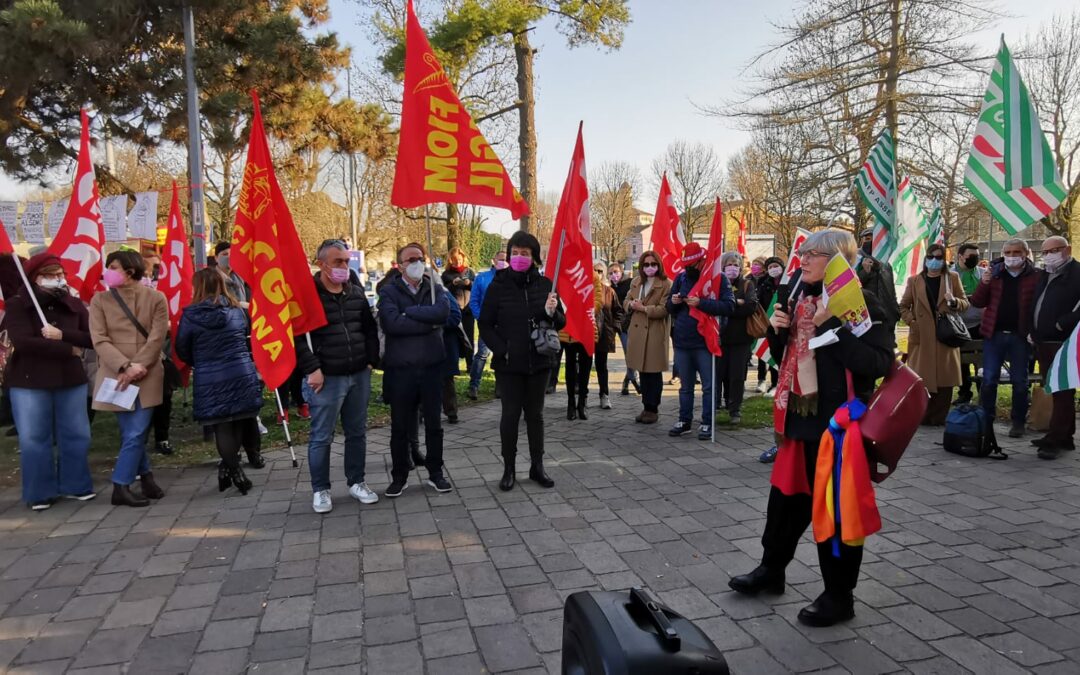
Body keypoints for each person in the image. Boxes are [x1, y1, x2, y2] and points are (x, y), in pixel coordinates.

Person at [728, 229, 894, 627]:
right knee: (784, 503)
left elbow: (878, 364)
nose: (801, 258)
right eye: (801, 252)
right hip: (798, 420)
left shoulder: (860, 302)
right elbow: (792, 358)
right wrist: (780, 331)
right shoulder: (799, 296)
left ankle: (840, 595)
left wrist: (829, 330)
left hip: (836, 427)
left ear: (838, 259)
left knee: (835, 513)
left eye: (812, 253)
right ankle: (772, 570)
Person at [5, 253, 95, 510]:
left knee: (77, 433)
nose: (58, 280)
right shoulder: (18, 304)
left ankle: (76, 484)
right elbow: (24, 342)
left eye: (60, 275)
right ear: (35, 278)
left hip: (70, 379)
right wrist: (68, 350)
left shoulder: (74, 304)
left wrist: (63, 335)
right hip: (30, 380)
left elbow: (90, 338)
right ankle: (39, 492)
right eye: (50, 275)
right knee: (34, 437)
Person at [297, 240, 381, 513]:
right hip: (326, 378)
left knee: (357, 432)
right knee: (322, 436)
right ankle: (320, 489)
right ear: (321, 264)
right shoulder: (306, 297)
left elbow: (369, 329)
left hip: (358, 374)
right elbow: (297, 337)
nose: (344, 267)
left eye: (346, 261)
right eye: (338, 262)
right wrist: (312, 368)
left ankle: (357, 482)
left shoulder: (355, 293)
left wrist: (370, 360)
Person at [478, 231, 564, 491]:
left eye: (525, 253)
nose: (519, 257)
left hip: (538, 362)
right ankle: (508, 469)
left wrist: (551, 311)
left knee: (535, 416)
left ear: (534, 258)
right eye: (515, 252)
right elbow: (485, 323)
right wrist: (501, 349)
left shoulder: (545, 284)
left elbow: (561, 322)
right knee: (510, 416)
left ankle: (537, 466)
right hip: (509, 365)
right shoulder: (498, 284)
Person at [89, 250, 169, 508]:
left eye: (113, 267)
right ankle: (145, 477)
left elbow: (157, 337)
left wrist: (138, 365)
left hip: (147, 373)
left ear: (130, 270)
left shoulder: (156, 298)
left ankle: (120, 485)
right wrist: (123, 365)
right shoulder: (100, 300)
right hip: (116, 373)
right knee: (130, 434)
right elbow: (99, 339)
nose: (108, 272)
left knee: (136, 431)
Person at [176, 269, 264, 496]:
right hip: (240, 370)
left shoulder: (190, 315)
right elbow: (246, 336)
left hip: (210, 375)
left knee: (223, 426)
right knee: (239, 421)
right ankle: (232, 468)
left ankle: (234, 471)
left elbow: (182, 348)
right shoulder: (236, 310)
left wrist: (202, 361)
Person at [379, 242, 453, 497]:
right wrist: (426, 320)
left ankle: (436, 472)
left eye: (419, 258)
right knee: (400, 427)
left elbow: (443, 313)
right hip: (402, 370)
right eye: (410, 259)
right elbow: (392, 324)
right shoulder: (388, 292)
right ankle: (399, 476)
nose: (416, 263)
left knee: (434, 424)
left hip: (432, 368)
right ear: (399, 265)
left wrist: (409, 312)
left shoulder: (434, 288)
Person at [969, 239, 1038, 438]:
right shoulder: (995, 273)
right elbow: (977, 301)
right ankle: (986, 419)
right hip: (994, 335)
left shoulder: (1035, 276)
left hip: (1020, 336)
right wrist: (984, 282)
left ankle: (1018, 422)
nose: (1012, 256)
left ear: (1025, 254)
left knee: (1020, 381)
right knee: (989, 379)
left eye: (1016, 252)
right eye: (1008, 252)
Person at [666, 242, 735, 440]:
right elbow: (669, 306)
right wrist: (674, 301)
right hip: (682, 341)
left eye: (693, 264)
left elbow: (729, 306)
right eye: (687, 264)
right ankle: (684, 420)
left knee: (708, 386)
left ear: (702, 261)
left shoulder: (717, 278)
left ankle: (707, 422)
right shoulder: (680, 277)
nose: (690, 268)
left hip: (705, 341)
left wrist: (701, 303)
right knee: (685, 386)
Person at [899, 243, 969, 425]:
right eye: (931, 257)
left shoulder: (952, 278)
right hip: (921, 335)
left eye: (939, 257)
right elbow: (903, 305)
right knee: (922, 377)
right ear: (925, 259)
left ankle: (939, 417)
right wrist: (912, 322)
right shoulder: (914, 280)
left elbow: (965, 303)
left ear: (944, 260)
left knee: (945, 378)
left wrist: (953, 302)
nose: (934, 261)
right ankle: (923, 415)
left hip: (945, 334)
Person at [1031, 236, 1080, 459]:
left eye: (1054, 250)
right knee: (1056, 389)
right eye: (1045, 252)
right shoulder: (1046, 273)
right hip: (1043, 340)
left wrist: (1063, 322)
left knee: (1062, 391)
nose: (1049, 255)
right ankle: (1066, 436)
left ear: (1067, 250)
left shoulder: (1076, 273)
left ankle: (1054, 440)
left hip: (1064, 341)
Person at [624, 251, 672, 424]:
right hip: (638, 332)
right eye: (646, 264)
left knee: (653, 372)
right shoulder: (636, 281)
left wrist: (643, 308)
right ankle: (645, 406)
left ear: (658, 265)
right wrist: (630, 304)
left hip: (654, 332)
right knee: (642, 371)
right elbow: (626, 301)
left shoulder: (666, 284)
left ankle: (653, 408)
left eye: (653, 264)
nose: (649, 267)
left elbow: (664, 309)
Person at [716, 252, 761, 425]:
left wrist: (728, 304)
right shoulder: (717, 283)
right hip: (720, 338)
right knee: (718, 374)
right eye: (729, 265)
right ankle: (716, 404)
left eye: (736, 265)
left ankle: (735, 409)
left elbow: (750, 306)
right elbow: (716, 306)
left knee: (736, 376)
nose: (732, 268)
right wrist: (736, 302)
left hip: (741, 339)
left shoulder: (747, 284)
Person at [141, 253, 178, 456]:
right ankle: (139, 439)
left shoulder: (158, 295)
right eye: (145, 273)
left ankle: (162, 437)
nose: (149, 278)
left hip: (161, 356)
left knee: (164, 398)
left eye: (151, 273)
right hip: (136, 358)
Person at [468, 250, 507, 400]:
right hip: (487, 324)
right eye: (500, 259)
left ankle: (500, 387)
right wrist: (482, 318)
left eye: (505, 259)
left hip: (504, 324)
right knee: (482, 354)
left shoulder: (510, 279)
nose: (503, 261)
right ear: (494, 260)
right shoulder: (482, 278)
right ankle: (474, 385)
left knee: (501, 354)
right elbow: (474, 301)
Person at [954, 243, 984, 404]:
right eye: (971, 256)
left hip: (979, 324)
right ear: (960, 256)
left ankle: (982, 392)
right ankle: (964, 393)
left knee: (980, 361)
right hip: (958, 324)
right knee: (960, 362)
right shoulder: (951, 274)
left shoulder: (982, 274)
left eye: (977, 256)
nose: (975, 260)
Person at [559, 294, 598, 421]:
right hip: (568, 328)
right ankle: (571, 403)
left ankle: (582, 402)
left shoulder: (592, 276)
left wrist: (586, 308)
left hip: (586, 326)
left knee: (585, 368)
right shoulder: (563, 275)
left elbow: (598, 299)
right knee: (570, 367)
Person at [856, 228, 901, 334]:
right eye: (867, 239)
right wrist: (864, 272)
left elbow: (891, 289)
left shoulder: (886, 263)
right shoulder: (856, 259)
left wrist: (895, 311)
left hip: (887, 314)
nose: (870, 242)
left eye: (874, 239)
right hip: (865, 316)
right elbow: (851, 286)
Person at [593, 262, 624, 411]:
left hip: (604, 334)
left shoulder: (609, 292)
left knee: (601, 366)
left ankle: (604, 395)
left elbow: (619, 311)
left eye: (600, 271)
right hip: (587, 334)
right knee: (583, 366)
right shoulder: (584, 291)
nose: (597, 274)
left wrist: (614, 327)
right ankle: (581, 397)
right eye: (594, 270)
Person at [609, 263, 639, 396]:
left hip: (634, 323)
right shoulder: (610, 289)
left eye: (615, 272)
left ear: (621, 272)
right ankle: (633, 379)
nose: (613, 275)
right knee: (629, 353)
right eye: (610, 273)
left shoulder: (629, 284)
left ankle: (628, 380)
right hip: (622, 327)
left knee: (634, 353)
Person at [755, 256, 784, 394]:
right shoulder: (764, 284)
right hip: (768, 324)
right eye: (770, 267)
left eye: (776, 266)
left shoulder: (787, 282)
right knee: (768, 352)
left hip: (783, 324)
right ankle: (766, 381)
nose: (773, 269)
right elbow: (758, 302)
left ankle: (778, 382)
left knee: (780, 353)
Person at [442, 247, 475, 366]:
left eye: (460, 260)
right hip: (453, 311)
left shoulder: (469, 272)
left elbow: (476, 289)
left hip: (468, 311)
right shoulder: (446, 274)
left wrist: (469, 283)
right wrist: (452, 284)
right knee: (454, 339)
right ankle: (453, 364)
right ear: (451, 260)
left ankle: (470, 364)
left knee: (469, 338)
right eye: (455, 260)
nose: (458, 262)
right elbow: (443, 291)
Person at [441, 287, 463, 424]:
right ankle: (421, 411)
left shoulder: (443, 293)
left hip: (445, 344)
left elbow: (455, 316)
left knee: (446, 379)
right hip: (424, 345)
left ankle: (451, 411)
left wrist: (436, 323)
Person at [213, 241, 250, 307]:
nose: (229, 257)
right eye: (225, 254)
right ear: (216, 258)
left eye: (232, 254)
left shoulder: (239, 276)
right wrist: (239, 304)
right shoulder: (210, 278)